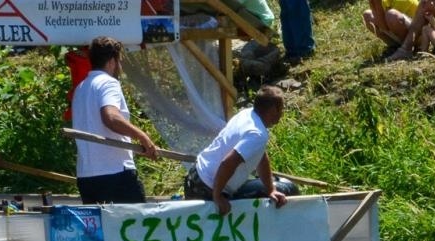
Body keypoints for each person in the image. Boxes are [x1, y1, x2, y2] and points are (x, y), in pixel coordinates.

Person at [70, 36, 157, 205]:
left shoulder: (81, 88)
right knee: (136, 228)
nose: (121, 67)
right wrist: (143, 137)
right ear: (111, 61)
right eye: (120, 61)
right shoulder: (108, 83)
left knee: (103, 230)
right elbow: (111, 117)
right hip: (115, 174)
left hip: (87, 177)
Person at [185, 86, 298, 214]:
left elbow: (260, 155)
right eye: (281, 109)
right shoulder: (257, 134)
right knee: (287, 189)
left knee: (271, 188)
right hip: (206, 189)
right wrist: (217, 197)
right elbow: (228, 163)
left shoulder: (248, 114)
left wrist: (270, 189)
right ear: (272, 110)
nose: (282, 114)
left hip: (194, 177)